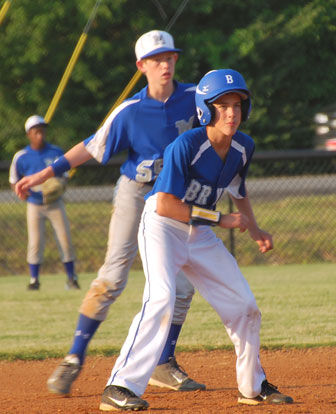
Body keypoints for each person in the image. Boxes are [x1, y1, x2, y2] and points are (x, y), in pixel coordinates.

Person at [15, 30, 205, 395]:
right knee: (113, 276)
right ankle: (74, 357)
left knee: (182, 286)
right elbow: (89, 148)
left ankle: (162, 363)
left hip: (173, 198)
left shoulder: (195, 98)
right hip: (135, 193)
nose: (164, 64)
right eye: (156, 59)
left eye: (169, 57)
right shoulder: (130, 112)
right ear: (141, 66)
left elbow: (225, 118)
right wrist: (41, 173)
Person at [95, 69, 294, 411]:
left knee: (244, 305)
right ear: (206, 109)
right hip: (162, 226)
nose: (231, 113)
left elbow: (238, 189)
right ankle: (119, 386)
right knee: (162, 297)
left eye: (237, 105)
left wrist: (256, 228)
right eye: (222, 105)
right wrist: (221, 219)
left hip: (199, 233)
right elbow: (167, 204)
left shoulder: (244, 146)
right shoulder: (186, 144)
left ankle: (252, 385)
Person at [9, 115, 80, 290]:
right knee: (35, 242)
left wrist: (60, 185)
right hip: (34, 204)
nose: (40, 135)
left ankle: (71, 278)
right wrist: (20, 192)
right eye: (36, 132)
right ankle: (34, 280)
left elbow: (64, 175)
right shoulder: (22, 156)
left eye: (42, 131)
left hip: (55, 203)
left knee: (65, 240)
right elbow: (13, 179)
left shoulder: (55, 152)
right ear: (29, 134)